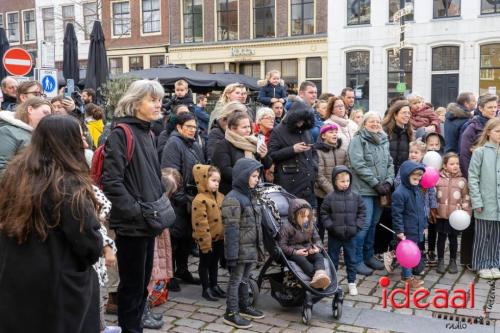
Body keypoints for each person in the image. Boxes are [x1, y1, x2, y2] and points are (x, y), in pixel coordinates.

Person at [0, 115, 103, 332]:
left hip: (16, 274)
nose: (84, 140)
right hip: (59, 284)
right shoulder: (68, 185)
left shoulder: (14, 174)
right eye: (79, 136)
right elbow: (89, 244)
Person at [101, 80, 170, 332]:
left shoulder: (149, 132)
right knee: (131, 286)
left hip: (148, 220)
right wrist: (135, 211)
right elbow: (112, 181)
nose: (158, 104)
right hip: (132, 224)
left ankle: (135, 326)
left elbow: (152, 175)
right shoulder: (122, 133)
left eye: (159, 99)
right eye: (152, 100)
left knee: (142, 284)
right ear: (135, 102)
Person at [161, 112, 205, 287]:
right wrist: (182, 199)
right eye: (189, 126)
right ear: (179, 127)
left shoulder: (194, 145)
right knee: (174, 240)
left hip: (192, 200)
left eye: (195, 127)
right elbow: (171, 175)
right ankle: (169, 276)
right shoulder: (174, 144)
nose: (193, 130)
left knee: (187, 239)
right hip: (178, 201)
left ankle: (183, 269)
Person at [348, 111, 394, 276]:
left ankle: (369, 255)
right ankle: (356, 260)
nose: (375, 124)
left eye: (377, 122)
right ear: (364, 124)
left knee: (374, 223)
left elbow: (390, 162)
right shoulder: (358, 140)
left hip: (380, 190)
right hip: (364, 190)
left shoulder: (383, 140)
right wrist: (376, 183)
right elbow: (358, 164)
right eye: (371, 122)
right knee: (364, 224)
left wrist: (389, 181)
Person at [222, 158, 265, 329]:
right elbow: (231, 230)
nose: (257, 179)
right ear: (242, 176)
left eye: (257, 176)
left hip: (250, 248)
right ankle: (231, 312)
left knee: (245, 279)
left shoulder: (251, 195)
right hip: (239, 249)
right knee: (235, 280)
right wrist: (231, 255)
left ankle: (244, 305)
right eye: (253, 176)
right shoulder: (233, 199)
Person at [321, 166, 365, 296]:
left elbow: (362, 212)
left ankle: (352, 282)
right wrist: (331, 226)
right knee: (332, 259)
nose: (345, 184)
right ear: (335, 182)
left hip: (351, 235)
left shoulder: (356, 196)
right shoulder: (330, 197)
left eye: (347, 181)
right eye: (342, 181)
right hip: (335, 235)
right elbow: (324, 213)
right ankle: (333, 282)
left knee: (351, 259)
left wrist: (357, 226)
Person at [468, 118, 500, 280]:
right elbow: (473, 178)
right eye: (497, 131)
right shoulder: (480, 152)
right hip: (485, 202)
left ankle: (494, 262)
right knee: (482, 236)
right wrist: (477, 201)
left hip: (499, 204)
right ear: (488, 132)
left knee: (496, 236)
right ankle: (480, 263)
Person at [268, 100, 316, 207]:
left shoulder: (306, 130)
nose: (301, 123)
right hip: (290, 184)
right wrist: (292, 149)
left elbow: (313, 153)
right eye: (300, 120)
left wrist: (314, 169)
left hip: (308, 184)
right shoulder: (278, 131)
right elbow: (271, 155)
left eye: (304, 121)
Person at [212, 110, 271, 195]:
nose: (248, 130)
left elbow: (267, 165)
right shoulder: (223, 145)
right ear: (233, 128)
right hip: (233, 192)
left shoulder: (254, 142)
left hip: (257, 190)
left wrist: (264, 155)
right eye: (244, 127)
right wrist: (248, 176)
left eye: (249, 127)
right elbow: (224, 170)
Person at [279, 198, 330, 289]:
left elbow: (317, 239)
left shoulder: (309, 224)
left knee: (319, 256)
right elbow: (282, 245)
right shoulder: (287, 227)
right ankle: (317, 278)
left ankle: (320, 273)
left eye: (308, 216)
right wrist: (295, 252)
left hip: (307, 248)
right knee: (302, 261)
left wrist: (317, 248)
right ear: (294, 216)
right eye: (303, 217)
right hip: (294, 250)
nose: (306, 219)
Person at [191, 164, 226, 301]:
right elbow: (200, 224)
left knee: (214, 263)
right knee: (205, 263)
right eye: (213, 180)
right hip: (207, 239)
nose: (216, 184)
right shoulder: (199, 200)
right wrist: (205, 243)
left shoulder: (220, 197)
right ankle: (206, 288)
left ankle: (214, 285)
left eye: (218, 181)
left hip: (219, 238)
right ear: (204, 179)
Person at [392, 160, 427, 289]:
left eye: (419, 177)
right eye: (414, 177)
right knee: (407, 255)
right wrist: (400, 231)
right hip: (407, 230)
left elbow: (421, 209)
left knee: (412, 254)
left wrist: (424, 225)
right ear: (406, 176)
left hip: (416, 228)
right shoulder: (399, 193)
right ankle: (407, 278)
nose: (417, 179)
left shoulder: (417, 190)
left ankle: (408, 274)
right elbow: (397, 214)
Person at [435, 153, 471, 274]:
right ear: (445, 166)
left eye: (457, 163)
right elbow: (433, 197)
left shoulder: (462, 181)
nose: (455, 166)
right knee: (441, 238)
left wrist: (467, 213)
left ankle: (453, 260)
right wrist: (433, 211)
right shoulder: (438, 179)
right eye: (452, 163)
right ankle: (440, 260)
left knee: (453, 238)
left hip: (455, 216)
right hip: (441, 215)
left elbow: (466, 197)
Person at [0, 97, 52, 174]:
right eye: (45, 112)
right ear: (30, 109)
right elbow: (2, 167)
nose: (48, 118)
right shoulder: (8, 131)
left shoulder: (41, 134)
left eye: (50, 115)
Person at [314, 124, 347, 241]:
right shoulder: (318, 152)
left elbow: (347, 170)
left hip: (339, 192)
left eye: (335, 132)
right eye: (330, 132)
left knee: (336, 221)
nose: (334, 134)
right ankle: (320, 247)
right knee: (322, 222)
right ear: (323, 135)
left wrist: (342, 187)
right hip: (323, 194)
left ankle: (333, 250)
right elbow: (319, 175)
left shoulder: (342, 151)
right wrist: (333, 191)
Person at [459, 94, 498, 179]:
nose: (494, 110)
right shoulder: (472, 128)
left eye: (495, 107)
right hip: (480, 174)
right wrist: (470, 179)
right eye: (490, 107)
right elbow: (464, 156)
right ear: (480, 108)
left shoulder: (498, 124)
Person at [382, 100, 414, 175]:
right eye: (404, 112)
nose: (407, 115)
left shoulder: (409, 132)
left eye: (409, 113)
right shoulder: (384, 131)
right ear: (395, 115)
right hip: (386, 175)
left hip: (402, 175)